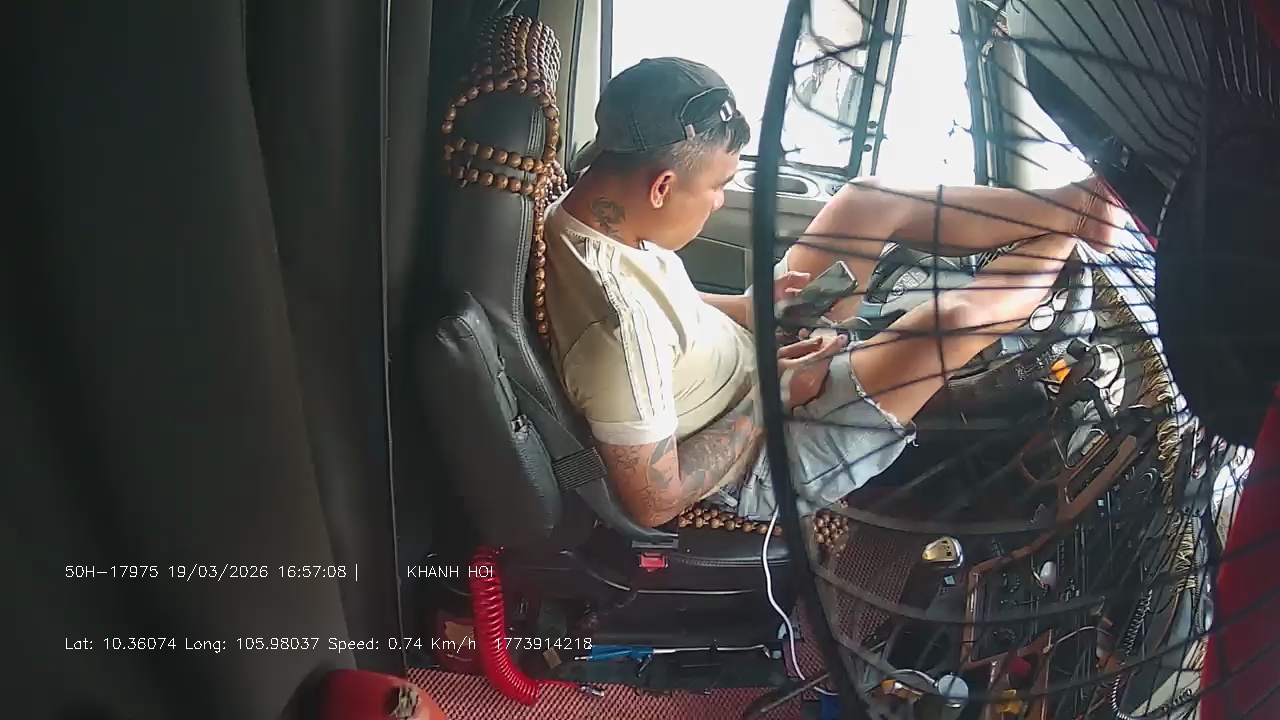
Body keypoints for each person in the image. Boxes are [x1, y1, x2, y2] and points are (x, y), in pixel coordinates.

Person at [542, 57, 1120, 527]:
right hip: (759, 458)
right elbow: (654, 499)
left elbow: (665, 308)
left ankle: (1082, 204)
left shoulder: (580, 218)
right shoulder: (617, 332)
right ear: (662, 186)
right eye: (719, 186)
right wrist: (775, 395)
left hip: (752, 366)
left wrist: (750, 309)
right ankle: (1071, 235)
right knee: (947, 326)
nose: (719, 201)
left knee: (869, 201)